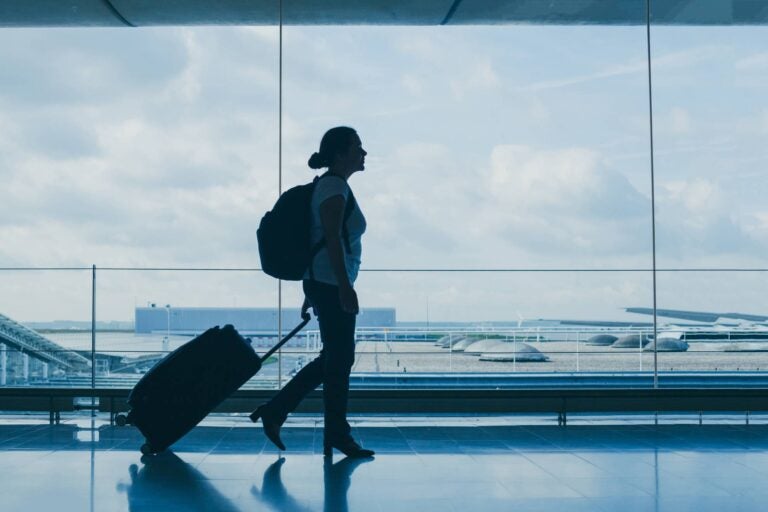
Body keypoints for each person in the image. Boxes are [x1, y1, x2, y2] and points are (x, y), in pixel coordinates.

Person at [251, 126, 374, 459]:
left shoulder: (331, 185)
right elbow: (332, 239)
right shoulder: (334, 187)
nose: (364, 153)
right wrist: (345, 288)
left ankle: (278, 411)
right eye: (357, 147)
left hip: (323, 283)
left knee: (334, 359)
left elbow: (320, 241)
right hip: (331, 285)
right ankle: (335, 432)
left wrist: (314, 289)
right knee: (340, 359)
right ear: (339, 153)